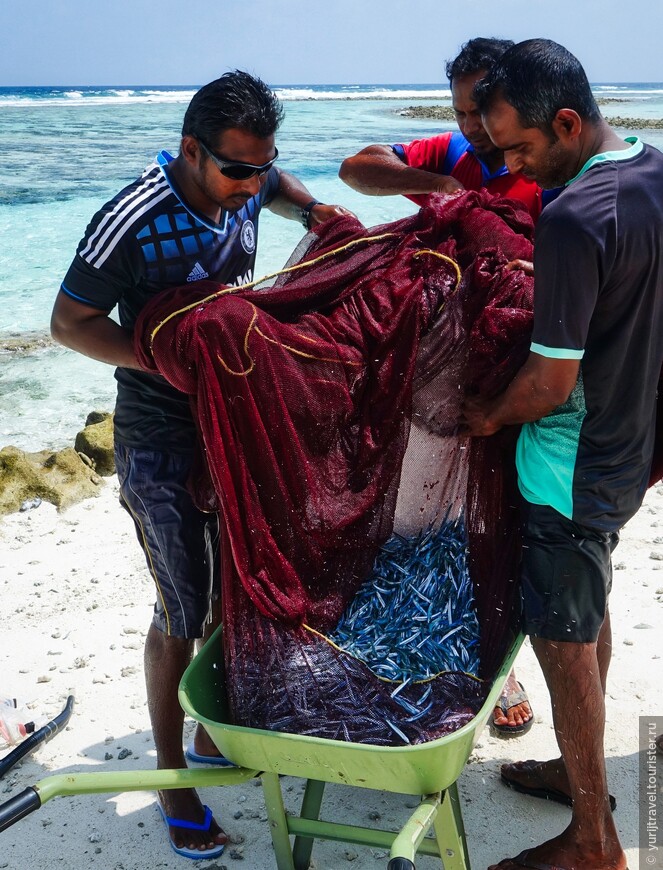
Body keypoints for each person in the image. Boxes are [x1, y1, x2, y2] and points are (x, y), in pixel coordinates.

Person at [51, 70, 353, 861]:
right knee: (180, 609)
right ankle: (172, 776)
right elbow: (68, 323)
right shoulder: (131, 218)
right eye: (236, 170)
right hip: (159, 439)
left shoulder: (249, 181)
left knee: (234, 587)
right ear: (191, 149)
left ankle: (213, 729)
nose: (250, 186)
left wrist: (316, 211)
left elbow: (280, 186)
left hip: (235, 422)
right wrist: (167, 361)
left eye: (262, 166)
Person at [465, 39, 663, 870]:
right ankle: (577, 772)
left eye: (517, 147)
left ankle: (593, 838)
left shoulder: (572, 217)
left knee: (562, 637)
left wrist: (482, 413)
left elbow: (547, 385)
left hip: (567, 465)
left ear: (569, 122)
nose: (509, 164)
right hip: (627, 447)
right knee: (588, 611)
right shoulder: (653, 171)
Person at [339, 36, 536, 738]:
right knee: (427, 519)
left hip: (520, 376)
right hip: (437, 374)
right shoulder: (453, 154)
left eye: (482, 111)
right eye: (459, 113)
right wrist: (439, 189)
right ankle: (449, 655)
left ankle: (498, 662)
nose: (473, 128)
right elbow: (356, 168)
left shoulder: (544, 166)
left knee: (501, 520)